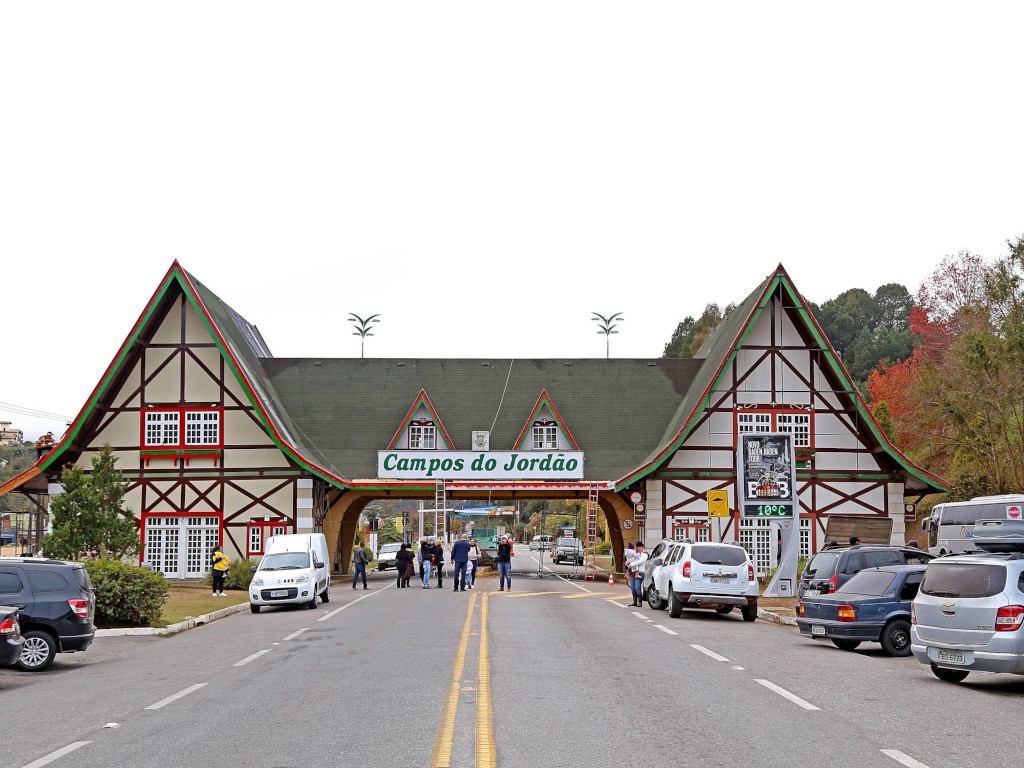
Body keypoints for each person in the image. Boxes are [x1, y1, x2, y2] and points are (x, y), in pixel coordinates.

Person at [628, 542, 648, 607]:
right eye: (639, 547)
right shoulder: (635, 554)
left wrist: (632, 564)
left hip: (640, 572)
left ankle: (640, 602)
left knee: (637, 587)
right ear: (637, 547)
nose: (641, 548)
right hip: (632, 572)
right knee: (632, 587)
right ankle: (634, 602)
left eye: (642, 546)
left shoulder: (644, 554)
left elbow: (641, 561)